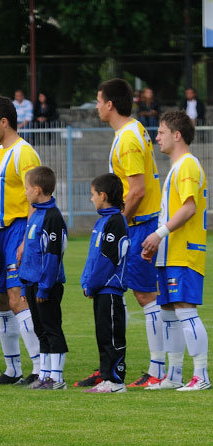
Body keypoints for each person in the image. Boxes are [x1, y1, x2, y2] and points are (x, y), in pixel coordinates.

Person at [92, 78, 164, 389]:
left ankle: (158, 370)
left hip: (141, 224)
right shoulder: (129, 132)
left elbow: (137, 190)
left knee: (147, 295)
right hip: (136, 224)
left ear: (110, 104)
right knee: (135, 293)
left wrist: (116, 224)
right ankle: (113, 365)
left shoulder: (129, 138)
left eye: (98, 101)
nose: (96, 106)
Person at [0, 96, 41, 386]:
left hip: (19, 229)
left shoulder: (24, 153)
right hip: (0, 233)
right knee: (1, 300)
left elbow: (36, 197)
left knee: (17, 298)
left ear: (4, 121)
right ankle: (12, 369)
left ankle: (40, 368)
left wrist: (29, 237)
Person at [141, 110, 210, 391]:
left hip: (184, 251)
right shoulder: (177, 166)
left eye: (161, 132)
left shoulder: (187, 166)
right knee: (168, 310)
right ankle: (175, 374)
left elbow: (189, 207)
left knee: (184, 309)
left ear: (177, 135)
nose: (157, 137)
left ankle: (202, 375)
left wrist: (158, 234)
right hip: (169, 252)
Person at [19, 166, 68, 390]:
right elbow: (30, 253)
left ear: (37, 190)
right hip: (32, 283)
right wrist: (24, 284)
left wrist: (45, 287)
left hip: (46, 284)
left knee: (51, 328)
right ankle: (45, 374)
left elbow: (52, 255)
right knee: (40, 329)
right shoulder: (36, 214)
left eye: (27, 188)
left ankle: (57, 378)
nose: (25, 192)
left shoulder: (52, 216)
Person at [81, 173, 129, 393]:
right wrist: (86, 280)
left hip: (110, 289)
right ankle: (106, 376)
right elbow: (93, 257)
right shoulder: (102, 221)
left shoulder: (116, 221)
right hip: (100, 288)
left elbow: (107, 260)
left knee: (111, 334)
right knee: (102, 334)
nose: (91, 199)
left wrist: (92, 284)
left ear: (103, 195)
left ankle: (116, 380)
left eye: (93, 195)